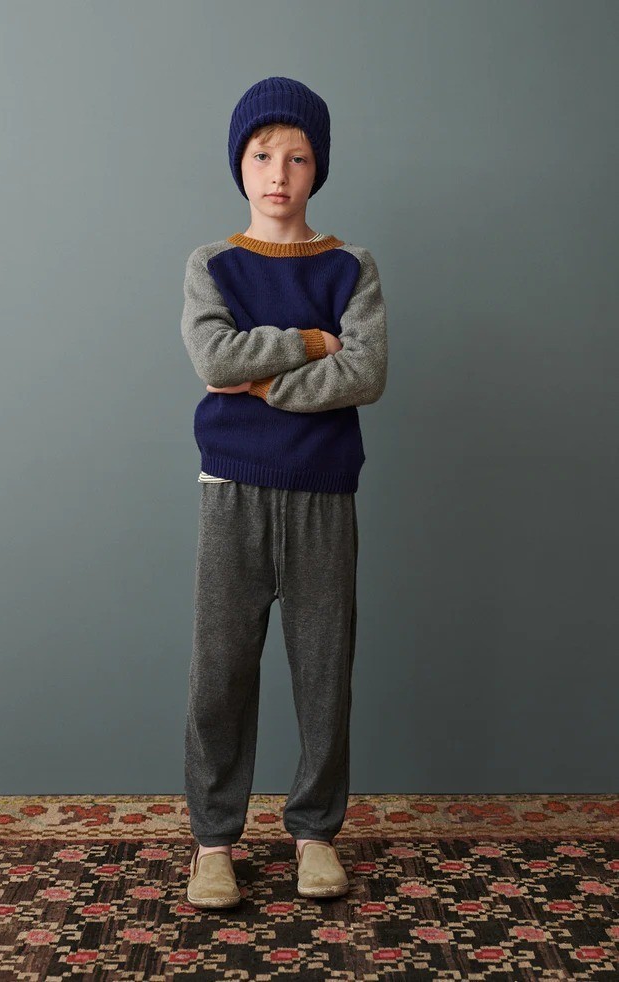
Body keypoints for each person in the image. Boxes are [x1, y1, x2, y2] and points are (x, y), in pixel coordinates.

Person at [180, 76, 388, 908]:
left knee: (323, 670)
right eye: (263, 155)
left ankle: (315, 834)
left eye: (297, 158)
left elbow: (365, 373)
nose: (278, 173)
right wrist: (307, 342)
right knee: (220, 673)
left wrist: (261, 383)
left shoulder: (351, 267)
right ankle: (213, 843)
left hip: (323, 493)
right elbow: (212, 359)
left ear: (317, 168)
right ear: (240, 161)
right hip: (231, 490)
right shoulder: (213, 264)